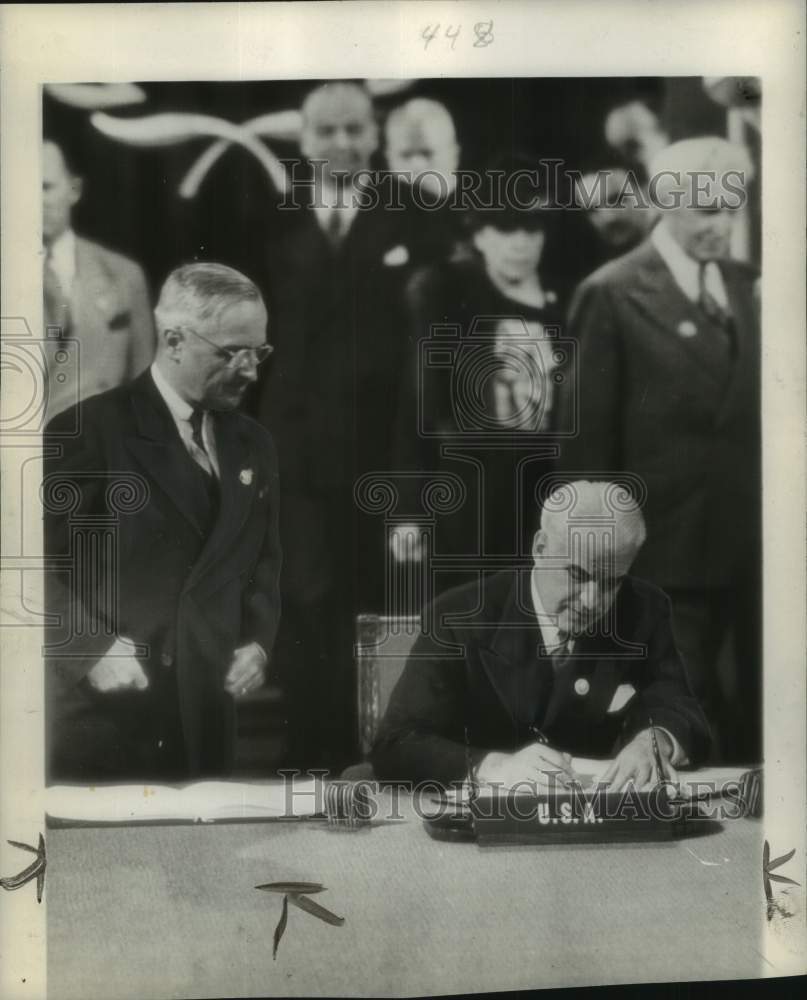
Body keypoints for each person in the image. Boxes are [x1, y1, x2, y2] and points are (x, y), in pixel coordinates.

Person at [556, 137, 760, 764]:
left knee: (756, 726)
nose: (719, 226)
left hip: (750, 554)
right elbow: (584, 448)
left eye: (730, 209)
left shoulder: (747, 285)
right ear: (666, 204)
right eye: (705, 211)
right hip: (664, 562)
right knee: (684, 725)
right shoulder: (613, 292)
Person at [43, 263, 281, 782]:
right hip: (108, 722)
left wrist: (258, 641)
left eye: (258, 351)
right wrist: (89, 649)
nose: (251, 371)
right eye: (231, 352)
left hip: (206, 722)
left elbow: (262, 562)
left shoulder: (253, 443)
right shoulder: (89, 431)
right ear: (173, 340)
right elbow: (25, 565)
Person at [256, 81, 418, 769]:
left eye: (355, 129)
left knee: (378, 611)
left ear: (375, 135)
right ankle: (311, 766)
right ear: (302, 140)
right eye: (327, 131)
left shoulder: (413, 219)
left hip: (384, 457)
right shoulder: (264, 220)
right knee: (305, 607)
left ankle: (379, 764)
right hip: (293, 459)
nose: (342, 144)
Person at [372, 481, 710, 788]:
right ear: (541, 547)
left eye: (611, 583)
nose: (592, 601)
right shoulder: (457, 616)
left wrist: (654, 741)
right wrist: (493, 766)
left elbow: (678, 707)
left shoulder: (643, 610)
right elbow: (396, 743)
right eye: (577, 574)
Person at [390, 183, 568, 598]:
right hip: (473, 498)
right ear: (480, 236)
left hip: (547, 493)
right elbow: (418, 409)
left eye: (532, 230)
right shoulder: (450, 304)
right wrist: (410, 511)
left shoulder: (569, 302)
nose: (520, 244)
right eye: (505, 230)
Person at [42, 138, 155, 420]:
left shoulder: (123, 275)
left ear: (74, 189)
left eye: (45, 187)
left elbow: (144, 390)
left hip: (99, 454)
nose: (32, 200)